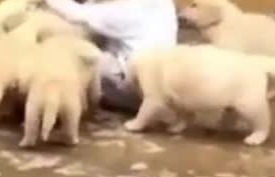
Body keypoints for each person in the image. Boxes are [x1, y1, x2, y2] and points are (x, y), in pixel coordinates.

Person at [44, 0, 178, 114]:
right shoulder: (161, 3)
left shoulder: (127, 11)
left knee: (76, 56)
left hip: (136, 91)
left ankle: (72, 100)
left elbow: (75, 14)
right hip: (161, 82)